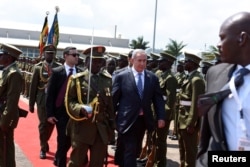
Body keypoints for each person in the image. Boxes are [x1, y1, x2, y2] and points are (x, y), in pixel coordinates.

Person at [196, 11, 250, 166]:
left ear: (242, 39)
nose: (218, 45)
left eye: (222, 38)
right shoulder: (215, 74)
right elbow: (207, 133)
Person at [112, 49, 166, 167]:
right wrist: (111, 119)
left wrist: (161, 117)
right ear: (132, 60)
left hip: (143, 120)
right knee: (130, 150)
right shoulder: (121, 77)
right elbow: (113, 100)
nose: (142, 63)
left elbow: (158, 99)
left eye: (144, 61)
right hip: (126, 120)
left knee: (135, 150)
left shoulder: (152, 78)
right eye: (139, 60)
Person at [65, 46, 115, 167]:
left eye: (100, 61)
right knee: (76, 162)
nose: (98, 64)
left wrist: (112, 127)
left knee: (97, 163)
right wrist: (80, 109)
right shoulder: (77, 79)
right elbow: (69, 101)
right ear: (87, 62)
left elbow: (110, 105)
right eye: (94, 61)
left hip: (101, 129)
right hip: (82, 127)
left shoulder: (107, 80)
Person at [46, 46, 80, 167]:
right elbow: (50, 95)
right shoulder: (57, 72)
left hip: (76, 114)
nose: (77, 57)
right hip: (60, 113)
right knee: (62, 140)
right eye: (74, 55)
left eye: (78, 55)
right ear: (65, 56)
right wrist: (49, 114)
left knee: (71, 141)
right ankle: (60, 162)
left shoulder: (81, 73)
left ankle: (58, 156)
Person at [29, 44, 61, 159]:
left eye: (52, 54)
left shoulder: (58, 67)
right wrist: (31, 104)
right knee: (43, 125)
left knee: (51, 124)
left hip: (54, 101)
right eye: (48, 53)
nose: (50, 55)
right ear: (44, 54)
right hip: (42, 100)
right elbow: (33, 87)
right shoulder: (38, 67)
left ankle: (45, 140)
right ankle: (43, 148)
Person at [177, 52, 205, 167]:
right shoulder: (189, 78)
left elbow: (196, 104)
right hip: (182, 118)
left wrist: (191, 123)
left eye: (186, 61)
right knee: (182, 149)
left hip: (188, 120)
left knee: (190, 152)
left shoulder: (196, 80)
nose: (184, 63)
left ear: (192, 64)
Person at [0, 43, 23, 167]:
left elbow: (12, 101)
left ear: (9, 58)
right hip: (2, 113)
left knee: (5, 148)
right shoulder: (7, 71)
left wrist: (4, 121)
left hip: (5, 116)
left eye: (1, 54)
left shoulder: (14, 73)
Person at [155, 52, 177, 167]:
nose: (159, 62)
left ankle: (160, 164)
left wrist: (163, 117)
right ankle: (154, 161)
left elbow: (170, 100)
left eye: (161, 61)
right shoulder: (160, 75)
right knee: (154, 140)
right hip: (156, 111)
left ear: (168, 63)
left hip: (162, 114)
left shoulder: (170, 78)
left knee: (161, 141)